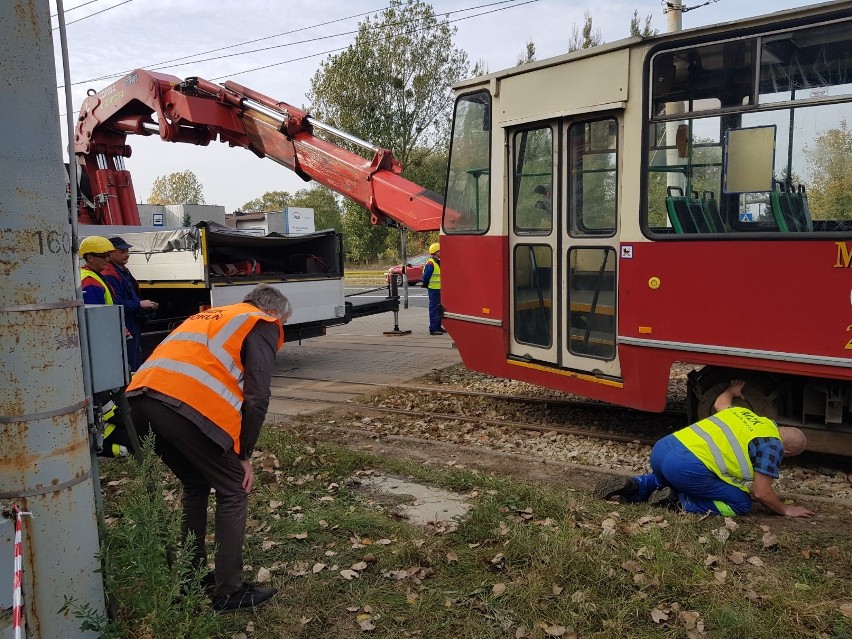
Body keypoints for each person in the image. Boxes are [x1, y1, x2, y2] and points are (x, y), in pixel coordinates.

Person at [126, 284, 292, 611]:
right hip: (181, 405)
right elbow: (258, 397)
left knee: (195, 483)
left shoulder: (212, 317)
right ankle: (229, 591)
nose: (280, 330)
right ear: (273, 312)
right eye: (283, 322)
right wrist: (244, 456)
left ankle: (192, 574)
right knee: (233, 489)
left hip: (138, 400)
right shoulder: (261, 322)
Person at [595, 380, 814, 518]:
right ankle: (679, 501)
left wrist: (732, 389)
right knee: (741, 503)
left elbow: (720, 403)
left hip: (662, 451)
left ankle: (634, 486)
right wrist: (785, 509)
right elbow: (761, 492)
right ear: (788, 452)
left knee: (667, 478)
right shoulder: (773, 446)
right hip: (686, 467)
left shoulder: (749, 416)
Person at [101, 236, 159, 371]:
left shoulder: (121, 270)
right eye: (121, 251)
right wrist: (139, 304)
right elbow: (117, 303)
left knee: (134, 358)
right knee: (130, 361)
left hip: (130, 323)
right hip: (125, 324)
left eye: (127, 251)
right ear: (110, 253)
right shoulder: (110, 273)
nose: (126, 255)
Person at [79, 236, 116, 305]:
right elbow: (95, 312)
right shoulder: (90, 281)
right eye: (103, 256)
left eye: (108, 255)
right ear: (90, 258)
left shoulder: (92, 275)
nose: (107, 259)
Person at [422, 242, 444, 335]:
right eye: (440, 251)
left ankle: (438, 326)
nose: (441, 252)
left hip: (439, 289)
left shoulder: (437, 261)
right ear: (435, 252)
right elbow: (426, 276)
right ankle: (433, 328)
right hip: (434, 289)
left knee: (439, 308)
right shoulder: (431, 263)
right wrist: (426, 284)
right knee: (434, 309)